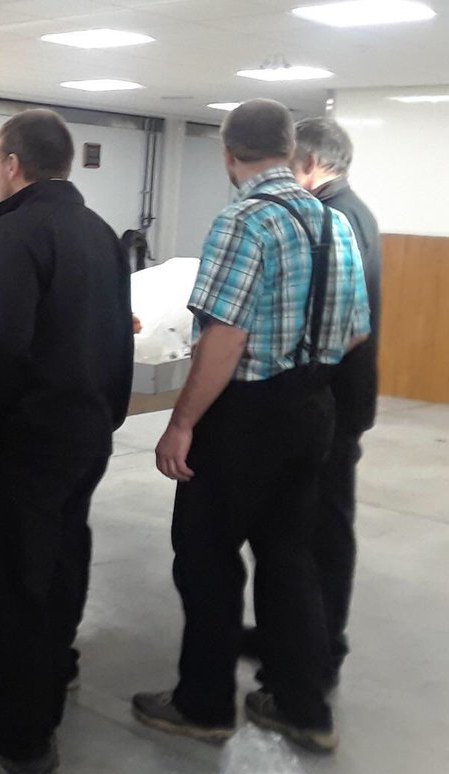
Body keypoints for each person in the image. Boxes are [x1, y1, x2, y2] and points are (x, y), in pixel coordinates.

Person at [132, 100, 370, 755]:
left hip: (244, 417)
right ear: (291, 150)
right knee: (290, 559)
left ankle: (203, 704)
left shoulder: (243, 220)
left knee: (206, 559)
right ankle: (302, 707)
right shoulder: (333, 222)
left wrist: (182, 424)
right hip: (312, 410)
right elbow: (356, 331)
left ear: (228, 153)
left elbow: (224, 338)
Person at [0, 109, 133, 774]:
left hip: (24, 445)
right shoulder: (100, 233)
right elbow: (117, 340)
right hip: (86, 437)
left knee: (6, 590)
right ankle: (40, 701)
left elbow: (1, 348)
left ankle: (14, 744)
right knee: (57, 575)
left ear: (12, 164)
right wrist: (104, 417)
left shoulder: (14, 236)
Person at [242, 117, 383, 686]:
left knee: (320, 531)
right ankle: (289, 637)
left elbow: (344, 323)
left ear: (307, 163)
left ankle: (318, 653)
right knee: (305, 525)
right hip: (337, 394)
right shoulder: (348, 211)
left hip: (331, 397)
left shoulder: (337, 218)